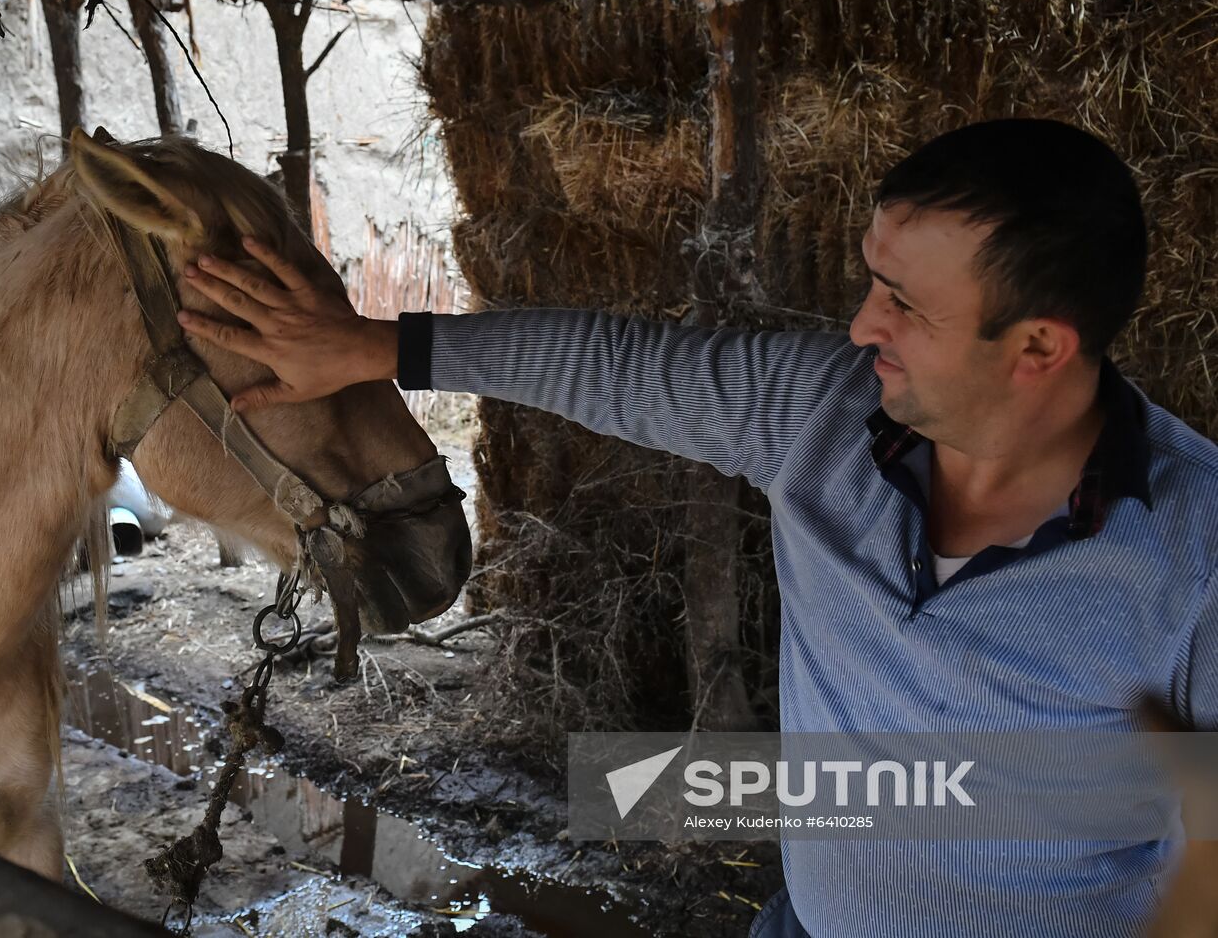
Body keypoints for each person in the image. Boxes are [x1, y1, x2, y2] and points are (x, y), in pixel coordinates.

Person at [175, 118, 1218, 938]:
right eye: (872, 281)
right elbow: (617, 367)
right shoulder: (823, 412)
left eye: (904, 304)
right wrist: (372, 348)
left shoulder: (1196, 559)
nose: (862, 324)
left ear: (1036, 347)